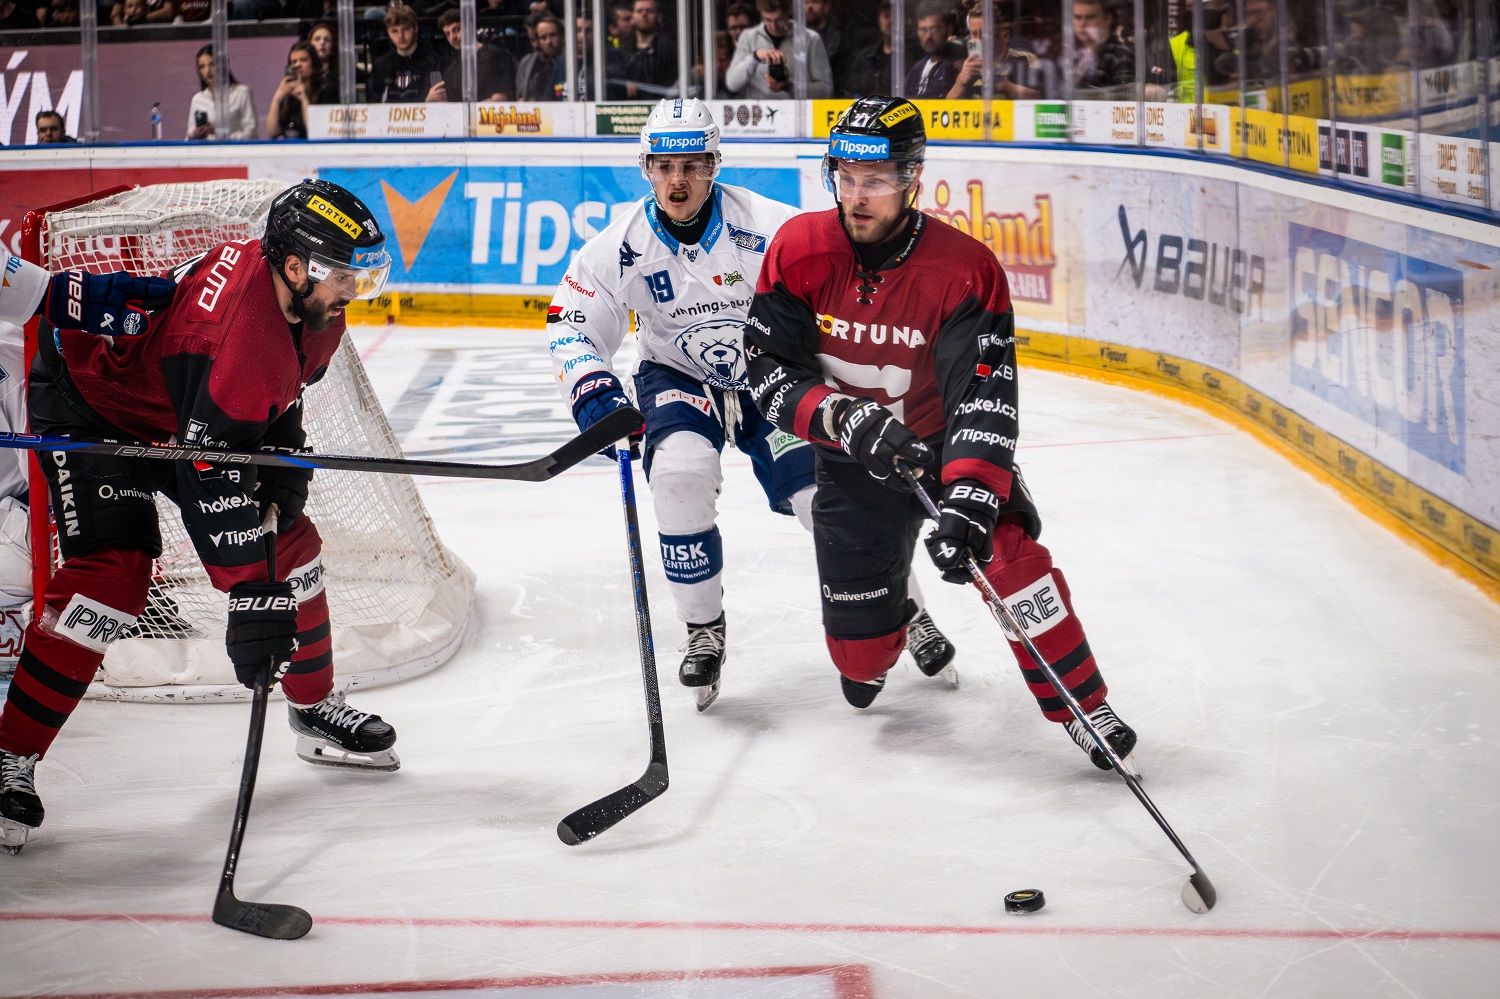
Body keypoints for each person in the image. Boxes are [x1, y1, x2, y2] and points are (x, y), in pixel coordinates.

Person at [0, 181, 402, 854]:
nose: (354, 291)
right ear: (295, 267)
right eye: (343, 275)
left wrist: (283, 464)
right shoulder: (237, 339)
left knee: (292, 545)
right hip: (92, 405)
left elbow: (278, 396)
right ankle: (9, 754)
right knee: (111, 580)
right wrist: (251, 595)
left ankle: (313, 706)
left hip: (183, 408)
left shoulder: (315, 313)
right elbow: (206, 474)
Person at [742, 96, 1138, 773]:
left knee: (1008, 559)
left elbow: (983, 397)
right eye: (845, 177)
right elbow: (768, 372)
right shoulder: (798, 249)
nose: (856, 196)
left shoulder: (964, 269)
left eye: (875, 180)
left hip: (939, 448)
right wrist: (841, 417)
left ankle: (1084, 706)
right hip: (851, 464)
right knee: (858, 666)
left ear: (912, 178)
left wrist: (973, 498)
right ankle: (889, 619)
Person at [547, 98, 958, 711]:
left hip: (772, 377)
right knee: (679, 478)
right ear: (646, 168)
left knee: (824, 497)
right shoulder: (619, 246)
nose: (678, 180)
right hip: (677, 377)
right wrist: (595, 395)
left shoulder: (769, 226)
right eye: (664, 166)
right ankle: (702, 629)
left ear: (714, 165)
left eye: (692, 165)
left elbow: (839, 289)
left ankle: (904, 608)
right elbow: (572, 321)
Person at [726, 0, 833, 100]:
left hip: (795, 110)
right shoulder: (748, 38)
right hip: (759, 110)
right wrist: (755, 57)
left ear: (789, 10)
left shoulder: (810, 39)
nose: (774, 27)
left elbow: (827, 91)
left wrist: (789, 86)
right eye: (768, 20)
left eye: (779, 20)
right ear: (761, 13)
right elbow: (732, 84)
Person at [947, 8, 1041, 100]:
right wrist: (961, 82)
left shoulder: (1025, 58)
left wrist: (1002, 84)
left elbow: (1040, 98)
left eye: (985, 33)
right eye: (974, 34)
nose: (979, 39)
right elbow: (948, 105)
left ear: (1003, 33)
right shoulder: (966, 63)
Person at [428, 8, 517, 102]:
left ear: (470, 26)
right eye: (447, 34)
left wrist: (469, 110)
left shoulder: (496, 55)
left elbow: (499, 99)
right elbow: (451, 106)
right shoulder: (450, 71)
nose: (452, 37)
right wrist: (428, 101)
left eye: (456, 30)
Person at [368, 3, 444, 103]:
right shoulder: (381, 65)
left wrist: (426, 104)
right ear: (388, 32)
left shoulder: (433, 61)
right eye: (394, 31)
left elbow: (439, 102)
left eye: (406, 29)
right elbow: (373, 104)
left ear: (415, 29)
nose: (401, 36)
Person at [187, 45, 258, 141]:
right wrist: (195, 135)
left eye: (212, 64)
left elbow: (252, 133)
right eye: (202, 66)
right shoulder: (198, 99)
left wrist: (220, 136)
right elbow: (189, 138)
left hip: (235, 149)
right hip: (206, 149)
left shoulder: (242, 93)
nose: (207, 71)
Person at [266, 41, 332, 140]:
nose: (298, 65)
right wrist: (277, 98)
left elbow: (315, 132)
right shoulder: (288, 96)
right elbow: (272, 133)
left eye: (303, 60)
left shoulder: (326, 91)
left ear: (313, 64)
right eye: (294, 62)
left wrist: (304, 99)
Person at [1070, 0, 1134, 94]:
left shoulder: (1120, 55)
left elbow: (1124, 97)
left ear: (1108, 19)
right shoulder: (1076, 54)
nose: (1082, 23)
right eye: (1078, 17)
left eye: (1090, 17)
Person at [903, 1, 959, 99]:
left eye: (934, 29)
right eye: (923, 30)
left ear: (948, 30)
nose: (928, 36)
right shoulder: (915, 70)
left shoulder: (955, 65)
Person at [623, 0, 677, 98]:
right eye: (639, 11)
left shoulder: (670, 50)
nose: (644, 14)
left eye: (649, 11)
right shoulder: (624, 50)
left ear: (659, 16)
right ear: (633, 17)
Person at [516, 11, 565, 101]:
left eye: (553, 35)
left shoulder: (571, 61)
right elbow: (521, 95)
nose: (549, 42)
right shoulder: (527, 62)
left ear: (561, 35)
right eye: (543, 37)